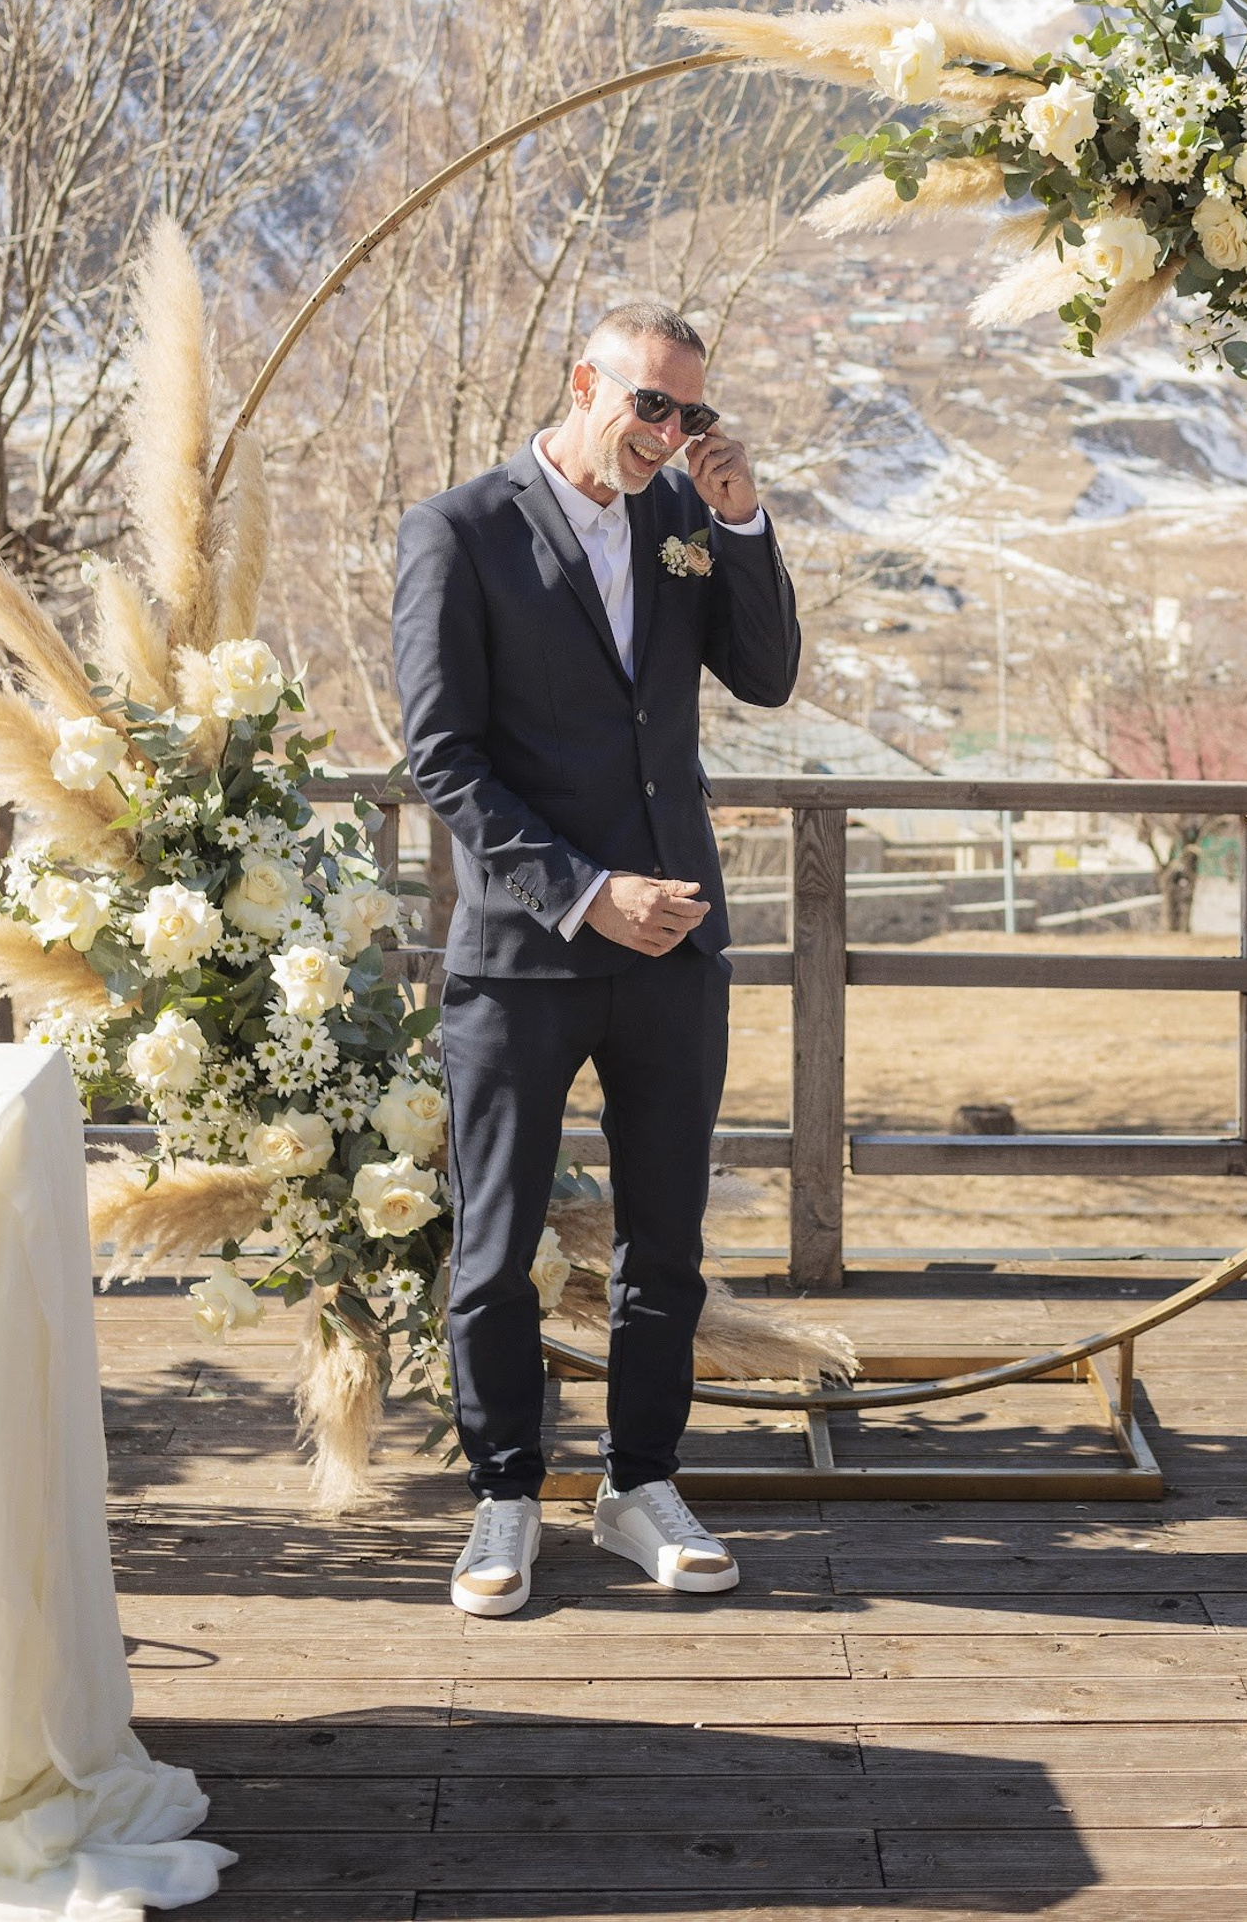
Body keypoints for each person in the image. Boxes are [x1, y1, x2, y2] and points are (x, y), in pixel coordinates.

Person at [392, 301, 800, 1619]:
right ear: (585, 383)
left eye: (692, 415)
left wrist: (739, 526)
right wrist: (580, 893)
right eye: (652, 408)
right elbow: (444, 760)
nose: (672, 434)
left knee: (664, 1244)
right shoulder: (457, 532)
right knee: (499, 1245)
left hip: (675, 947)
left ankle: (641, 1483)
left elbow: (768, 673)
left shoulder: (687, 519)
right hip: (524, 955)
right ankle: (506, 1495)